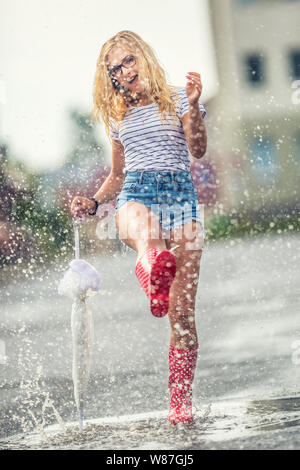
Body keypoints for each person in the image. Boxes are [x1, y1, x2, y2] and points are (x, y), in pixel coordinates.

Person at [71, 30, 207, 425]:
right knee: (148, 235)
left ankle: (180, 405)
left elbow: (197, 149)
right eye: (116, 69)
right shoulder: (118, 115)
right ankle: (153, 271)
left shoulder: (181, 97)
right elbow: (117, 175)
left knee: (182, 318)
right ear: (111, 78)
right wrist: (95, 201)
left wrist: (195, 107)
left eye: (129, 60)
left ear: (144, 56)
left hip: (182, 202)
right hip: (136, 195)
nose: (125, 71)